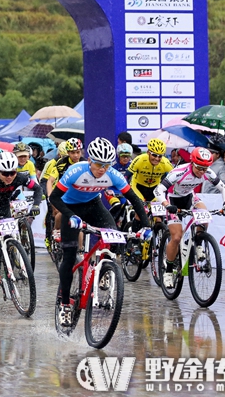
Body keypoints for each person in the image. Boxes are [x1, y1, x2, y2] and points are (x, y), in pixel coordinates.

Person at [49, 138, 149, 328]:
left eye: (107, 165)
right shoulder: (75, 171)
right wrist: (70, 215)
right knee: (69, 257)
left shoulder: (113, 175)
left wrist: (146, 225)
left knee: (113, 235)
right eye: (98, 164)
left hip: (94, 206)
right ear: (89, 161)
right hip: (71, 207)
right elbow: (54, 197)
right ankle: (64, 305)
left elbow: (134, 199)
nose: (102, 169)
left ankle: (103, 268)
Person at [153, 147, 225, 289]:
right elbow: (158, 190)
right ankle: (168, 271)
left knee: (205, 215)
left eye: (205, 169)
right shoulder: (179, 172)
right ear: (192, 163)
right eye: (199, 168)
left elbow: (223, 188)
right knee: (176, 237)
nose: (202, 172)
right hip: (173, 200)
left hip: (190, 197)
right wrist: (166, 205)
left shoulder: (208, 172)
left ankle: (198, 244)